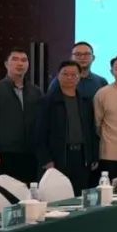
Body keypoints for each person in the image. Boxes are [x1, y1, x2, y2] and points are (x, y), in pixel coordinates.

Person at [0, 48, 43, 184]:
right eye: (15, 59)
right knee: (4, 192)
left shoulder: (36, 91)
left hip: (30, 153)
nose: (20, 63)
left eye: (24, 60)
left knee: (27, 192)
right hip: (3, 154)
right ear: (6, 64)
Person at [35, 61, 97, 192]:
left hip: (81, 157)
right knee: (58, 196)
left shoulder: (85, 101)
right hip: (58, 157)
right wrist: (46, 159)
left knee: (80, 196)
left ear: (79, 77)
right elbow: (39, 133)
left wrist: (93, 156)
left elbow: (91, 131)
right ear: (58, 76)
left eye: (74, 75)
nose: (69, 77)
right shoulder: (47, 101)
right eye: (65, 74)